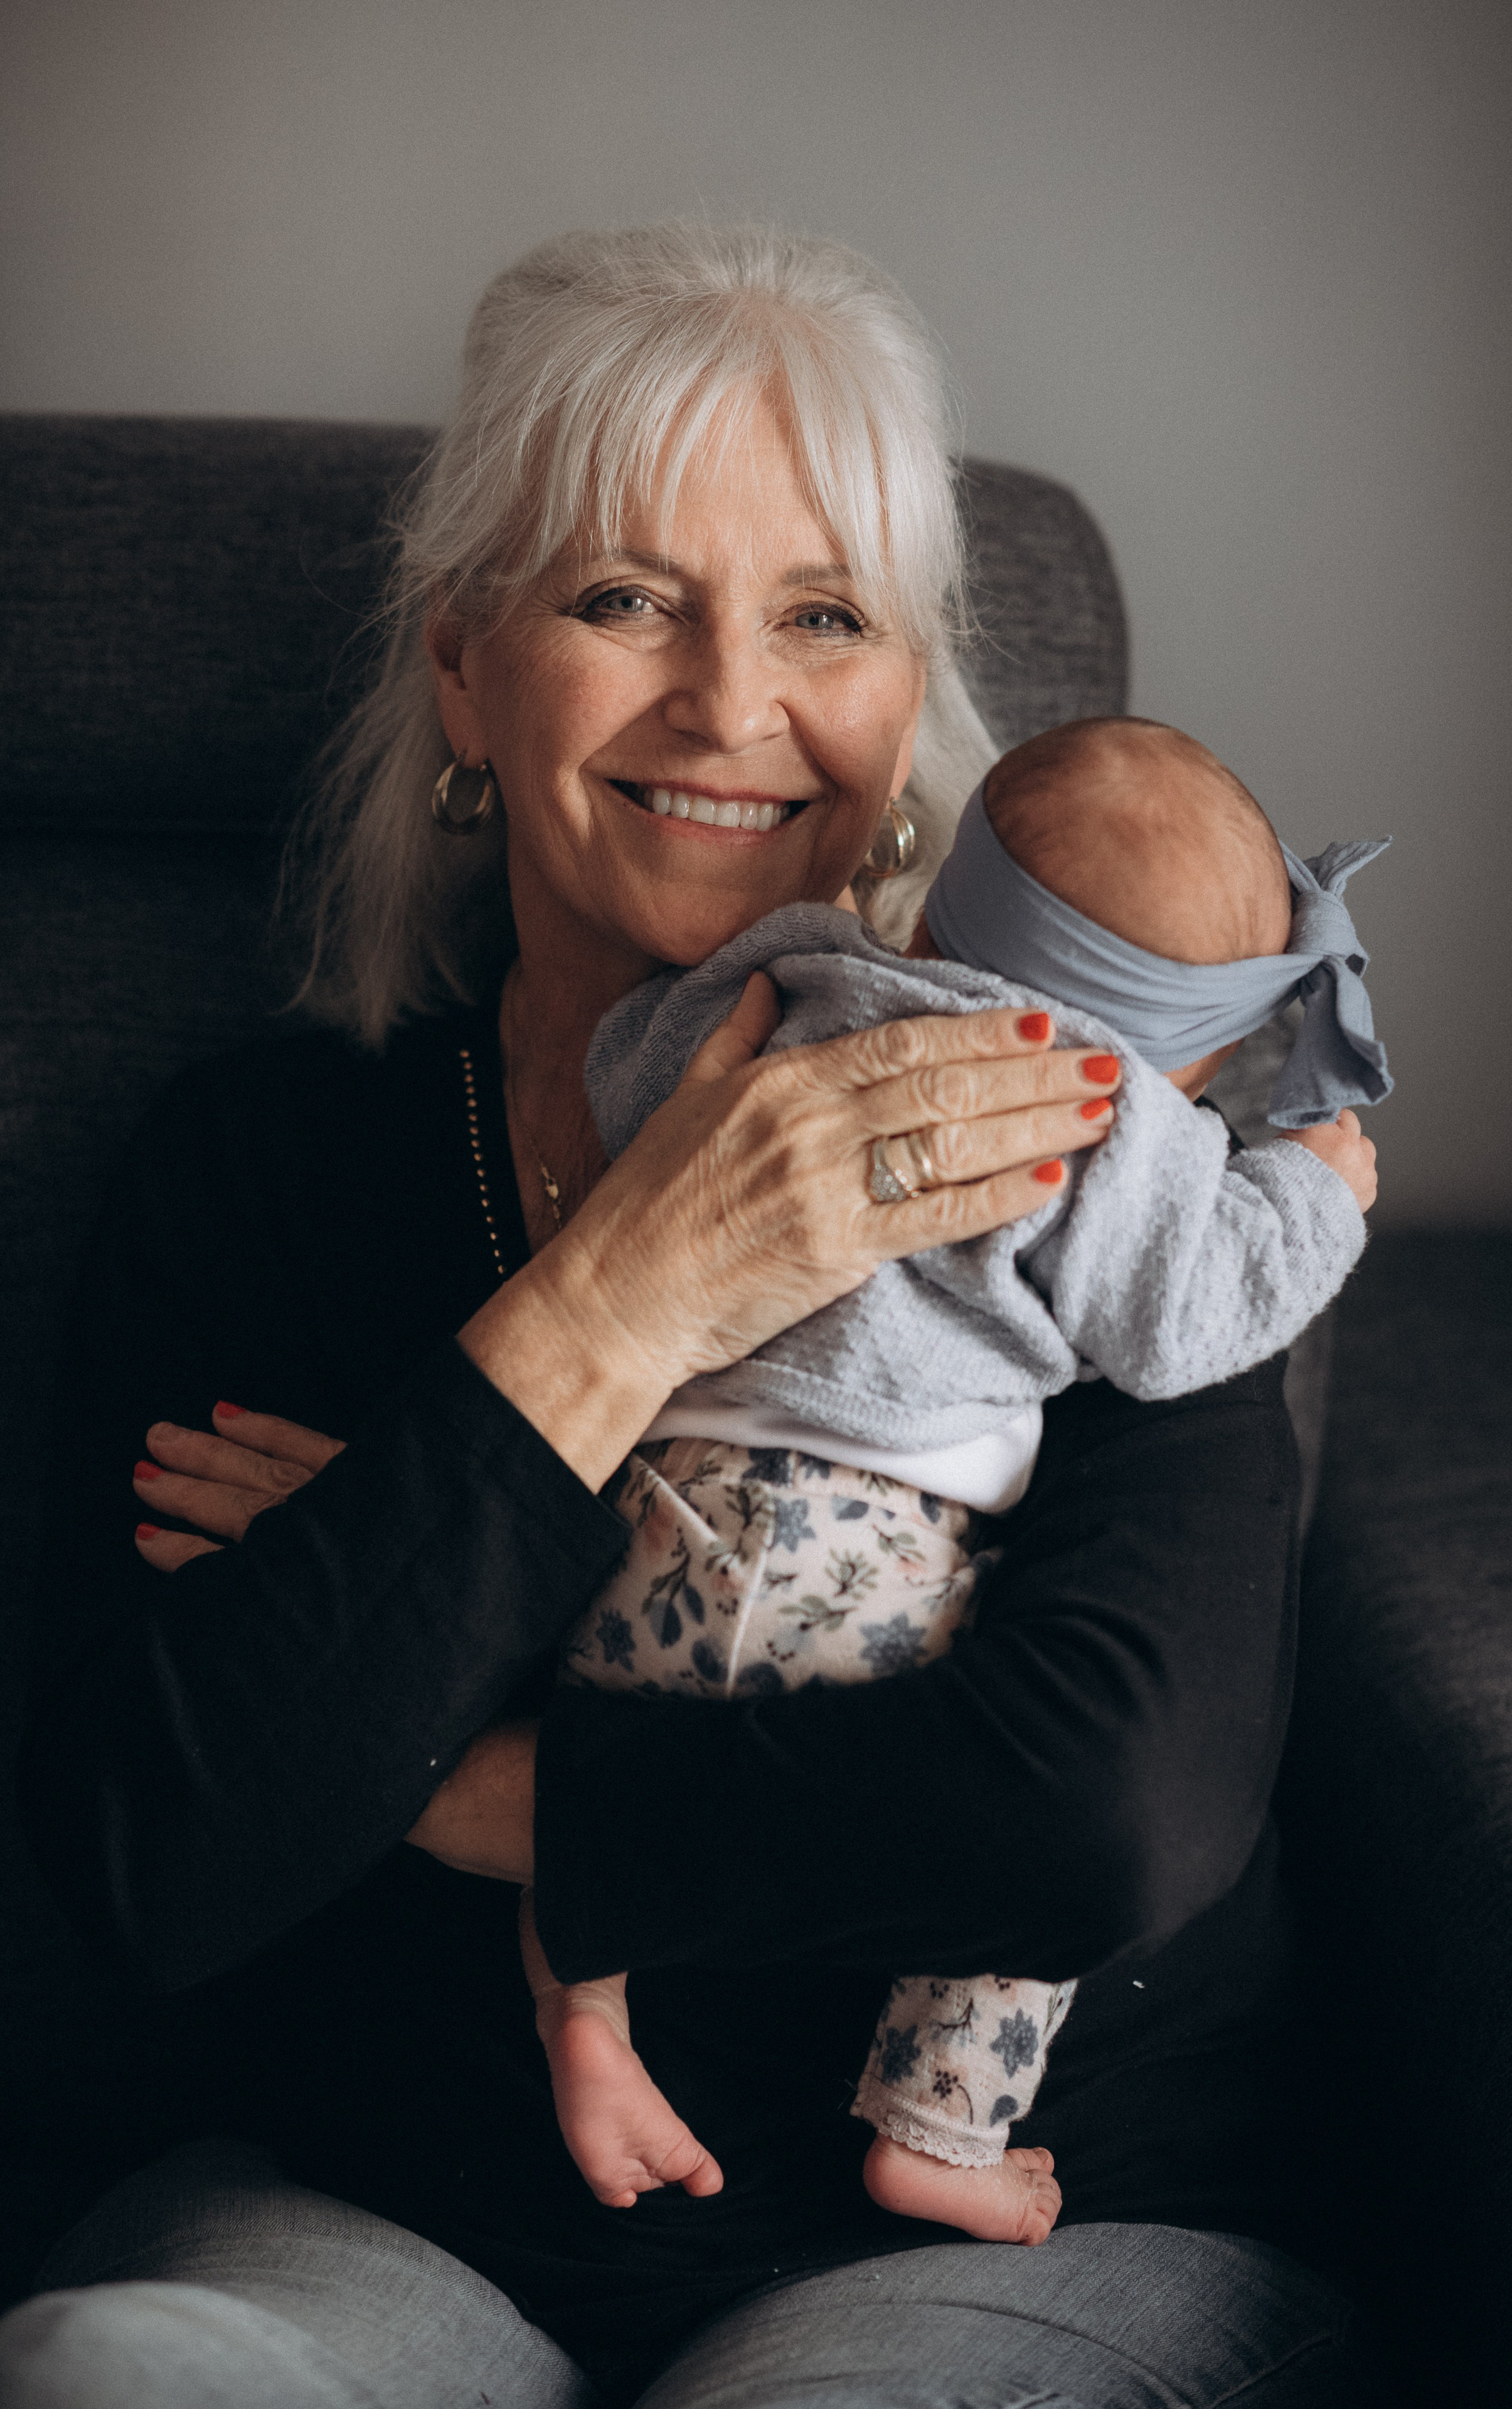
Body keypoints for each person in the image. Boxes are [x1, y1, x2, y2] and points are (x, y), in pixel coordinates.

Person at [2, 224, 1387, 2406]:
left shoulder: (1081, 1133)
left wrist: (436, 1746)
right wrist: (628, 1294)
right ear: (467, 670)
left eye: (824, 616)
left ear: (906, 702)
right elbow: (138, 1861)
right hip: (384, 2220)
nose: (733, 707)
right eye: (625, 599)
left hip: (1013, 2230)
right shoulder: (260, 1168)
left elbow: (1097, 1812)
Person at [526, 714, 1387, 2247]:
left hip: (649, 1518)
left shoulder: (802, 971)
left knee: (567, 1757)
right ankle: (937, 2129)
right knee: (999, 1864)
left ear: (938, 905)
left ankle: (583, 2025)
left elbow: (635, 1073)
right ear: (1187, 1050)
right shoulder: (1113, 1121)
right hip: (879, 1579)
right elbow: (1181, 1325)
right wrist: (1312, 1196)